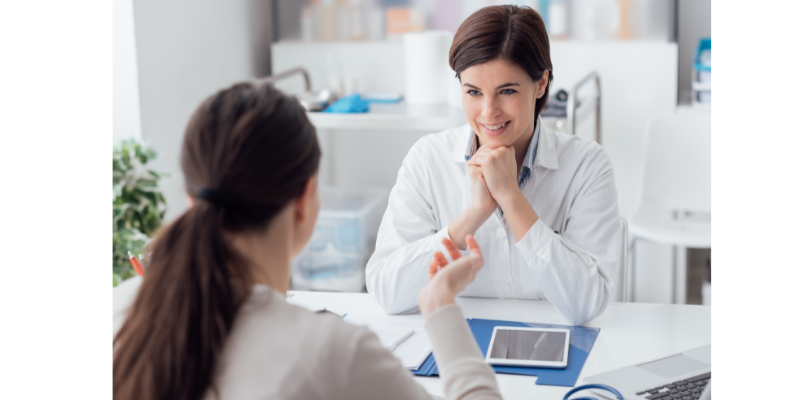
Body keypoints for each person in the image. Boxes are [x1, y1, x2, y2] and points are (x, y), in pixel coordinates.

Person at [112, 82, 503, 400]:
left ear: (189, 196)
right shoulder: (334, 354)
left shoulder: (120, 311)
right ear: (305, 200)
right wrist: (440, 307)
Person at [366, 4, 622, 326]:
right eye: (473, 91)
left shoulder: (587, 166)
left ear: (541, 83)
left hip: (553, 341)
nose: (488, 112)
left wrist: (511, 198)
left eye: (506, 91)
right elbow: (387, 291)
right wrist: (474, 214)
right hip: (457, 343)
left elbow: (587, 303)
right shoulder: (427, 159)